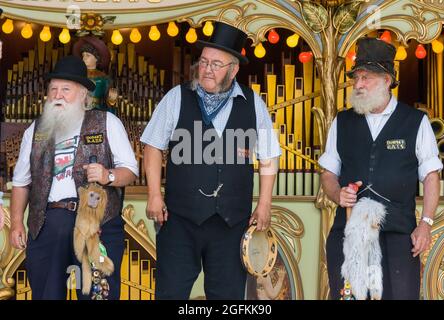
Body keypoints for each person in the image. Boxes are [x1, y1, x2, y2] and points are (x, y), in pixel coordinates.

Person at [140, 21, 281, 300]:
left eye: (217, 64)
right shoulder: (177, 97)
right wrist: (154, 194)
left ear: (234, 69)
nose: (207, 69)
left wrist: (264, 204)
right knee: (170, 294)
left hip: (231, 223)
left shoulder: (253, 104)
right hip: (179, 221)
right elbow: (152, 146)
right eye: (204, 61)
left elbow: (269, 155)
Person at [319, 37, 442, 300]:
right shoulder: (342, 122)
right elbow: (328, 173)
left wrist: (426, 224)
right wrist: (336, 193)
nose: (359, 84)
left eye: (367, 78)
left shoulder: (415, 122)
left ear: (388, 81)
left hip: (398, 237)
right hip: (349, 234)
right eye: (357, 78)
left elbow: (431, 176)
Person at [9, 55, 138, 300]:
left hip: (97, 225)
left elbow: (130, 170)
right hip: (48, 225)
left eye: (65, 90)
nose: (57, 95)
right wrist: (17, 222)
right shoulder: (35, 131)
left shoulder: (107, 122)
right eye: (53, 89)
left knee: (99, 295)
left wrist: (107, 175)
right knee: (46, 295)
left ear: (83, 95)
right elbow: (21, 182)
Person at [73, 36, 118, 114]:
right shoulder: (77, 76)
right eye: (83, 55)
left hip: (97, 111)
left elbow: (107, 102)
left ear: (96, 58)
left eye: (88, 55)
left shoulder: (104, 78)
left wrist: (111, 101)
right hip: (78, 110)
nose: (84, 58)